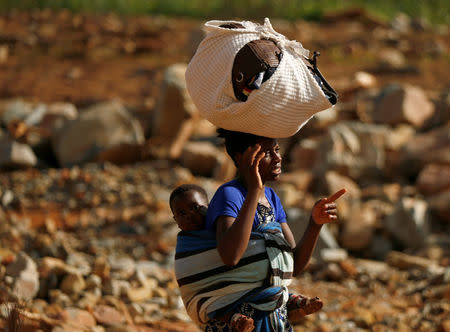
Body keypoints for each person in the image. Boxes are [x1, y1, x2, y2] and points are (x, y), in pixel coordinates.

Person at [198, 128, 346, 331]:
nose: (278, 157)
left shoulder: (271, 198)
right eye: (267, 153)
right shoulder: (229, 195)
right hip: (239, 321)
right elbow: (230, 256)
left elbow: (291, 266)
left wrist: (314, 224)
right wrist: (253, 190)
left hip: (273, 318)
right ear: (243, 158)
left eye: (277, 149)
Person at [170, 173, 338, 331]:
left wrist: (315, 224)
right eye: (181, 213)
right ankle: (236, 318)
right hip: (219, 308)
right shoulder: (187, 245)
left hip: (267, 305)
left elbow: (288, 262)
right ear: (175, 220)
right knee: (218, 308)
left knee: (272, 292)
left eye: (196, 208)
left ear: (210, 208)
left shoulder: (225, 230)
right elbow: (193, 284)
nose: (189, 215)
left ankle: (293, 302)